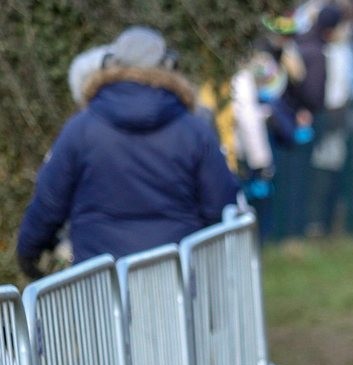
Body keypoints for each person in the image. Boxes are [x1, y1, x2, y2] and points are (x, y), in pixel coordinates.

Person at [16, 26, 240, 280]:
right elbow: (220, 205)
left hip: (100, 282)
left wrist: (29, 252)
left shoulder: (81, 129)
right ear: (169, 66)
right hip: (176, 281)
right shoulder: (194, 131)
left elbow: (49, 201)